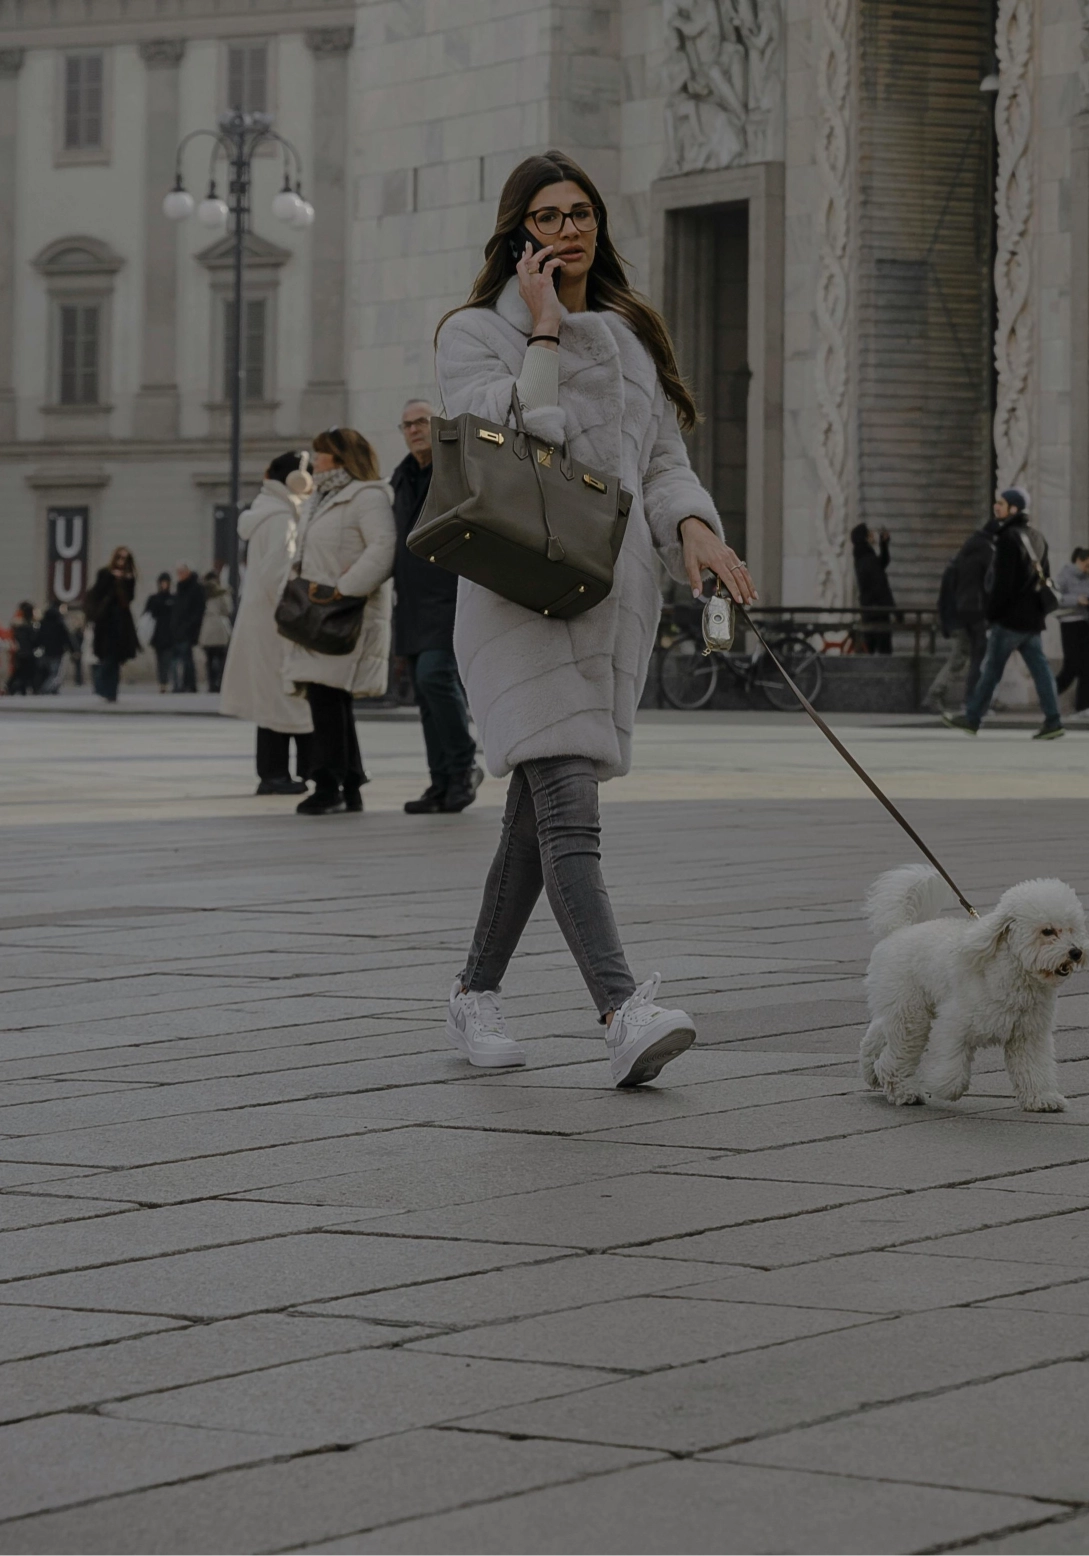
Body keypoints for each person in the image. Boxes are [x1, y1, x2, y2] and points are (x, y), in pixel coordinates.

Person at [433, 148, 753, 1086]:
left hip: (611, 595)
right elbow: (513, 435)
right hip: (517, 592)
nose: (568, 229)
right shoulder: (473, 333)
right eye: (547, 216)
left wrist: (696, 530)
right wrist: (542, 329)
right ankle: (622, 1008)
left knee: (538, 816)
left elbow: (662, 464)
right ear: (516, 233)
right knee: (568, 804)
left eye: (581, 214)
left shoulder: (630, 334)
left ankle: (474, 992)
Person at [279, 428, 395, 814]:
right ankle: (349, 783)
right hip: (318, 610)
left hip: (343, 612)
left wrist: (345, 588)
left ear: (341, 458)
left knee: (328, 698)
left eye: (321, 453)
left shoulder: (367, 496)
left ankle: (329, 785)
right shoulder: (321, 497)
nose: (314, 460)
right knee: (328, 698)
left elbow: (383, 547)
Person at [391, 398, 483, 814]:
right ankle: (441, 781)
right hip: (411, 601)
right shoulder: (400, 478)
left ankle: (464, 766)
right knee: (424, 697)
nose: (413, 429)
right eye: (407, 424)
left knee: (436, 677)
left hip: (449, 594)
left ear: (436, 425)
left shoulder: (453, 469)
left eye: (421, 421)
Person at [221, 451, 315, 794]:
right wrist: (302, 614)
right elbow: (281, 574)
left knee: (275, 701)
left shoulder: (269, 512)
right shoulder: (281, 518)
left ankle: (278, 773)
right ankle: (276, 775)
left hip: (267, 621)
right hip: (281, 623)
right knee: (286, 699)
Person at [943, 487, 1066, 740]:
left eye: (1001, 503)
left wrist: (991, 615)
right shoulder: (1038, 537)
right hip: (1032, 620)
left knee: (990, 671)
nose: (996, 507)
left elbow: (1002, 584)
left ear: (1014, 508)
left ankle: (972, 718)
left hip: (1010, 619)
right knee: (1041, 671)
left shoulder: (1008, 539)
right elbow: (1045, 577)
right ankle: (1053, 721)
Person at [924, 517, 995, 712]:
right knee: (966, 657)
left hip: (958, 614)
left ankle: (968, 697)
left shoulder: (964, 555)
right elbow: (986, 586)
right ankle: (940, 694)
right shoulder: (985, 553)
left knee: (967, 656)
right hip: (969, 614)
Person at [85, 547, 138, 701]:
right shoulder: (105, 574)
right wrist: (112, 578)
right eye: (120, 557)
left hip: (121, 623)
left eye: (125, 558)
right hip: (105, 621)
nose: (122, 561)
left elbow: (129, 599)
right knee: (106, 657)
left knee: (115, 659)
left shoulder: (129, 578)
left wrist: (124, 581)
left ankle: (111, 693)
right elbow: (98, 593)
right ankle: (102, 688)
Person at [1054, 547, 1089, 719]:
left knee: (1086, 666)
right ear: (1079, 561)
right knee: (1071, 665)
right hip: (1069, 623)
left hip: (1085, 624)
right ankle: (1049, 693)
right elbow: (1054, 598)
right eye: (1087, 566)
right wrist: (1076, 600)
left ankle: (1086, 705)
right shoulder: (1064, 577)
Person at [852, 522, 895, 654]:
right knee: (883, 649)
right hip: (878, 611)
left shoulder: (863, 556)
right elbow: (880, 585)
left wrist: (883, 544)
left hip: (870, 610)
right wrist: (894, 609)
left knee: (871, 648)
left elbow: (881, 564)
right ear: (864, 537)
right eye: (869, 533)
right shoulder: (867, 558)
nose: (872, 535)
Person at [169, 563, 206, 693]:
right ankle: (182, 684)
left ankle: (189, 684)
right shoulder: (180, 588)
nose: (179, 575)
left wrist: (189, 626)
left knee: (187, 659)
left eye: (181, 572)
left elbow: (198, 611)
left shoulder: (196, 588)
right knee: (181, 658)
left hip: (187, 629)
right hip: (178, 629)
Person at [199, 563, 232, 693]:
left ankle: (211, 684)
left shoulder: (202, 593)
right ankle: (221, 683)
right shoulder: (221, 593)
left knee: (209, 660)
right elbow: (228, 609)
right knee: (221, 658)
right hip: (220, 628)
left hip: (207, 629)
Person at [142, 573, 176, 691]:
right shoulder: (154, 599)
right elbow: (147, 615)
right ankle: (161, 682)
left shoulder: (173, 599)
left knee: (167, 660)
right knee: (159, 660)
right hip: (157, 635)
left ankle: (165, 681)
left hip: (170, 635)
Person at [35, 600, 73, 693]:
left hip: (46, 650)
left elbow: (39, 637)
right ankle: (46, 689)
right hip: (57, 651)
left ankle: (52, 689)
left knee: (47, 672)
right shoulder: (59, 622)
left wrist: (36, 646)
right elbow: (66, 637)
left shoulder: (43, 623)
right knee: (55, 673)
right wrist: (73, 649)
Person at [6, 603, 38, 695]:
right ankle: (15, 689)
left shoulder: (17, 625)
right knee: (24, 673)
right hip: (27, 653)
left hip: (18, 652)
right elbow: (33, 640)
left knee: (19, 672)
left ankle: (13, 689)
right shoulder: (29, 626)